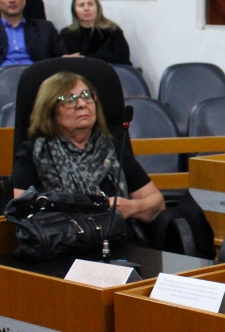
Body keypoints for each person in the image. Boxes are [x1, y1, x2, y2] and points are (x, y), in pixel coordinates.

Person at [11, 72, 165, 224]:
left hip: (117, 239)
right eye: (69, 100)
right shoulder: (35, 152)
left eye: (86, 96)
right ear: (49, 109)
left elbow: (156, 201)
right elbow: (19, 208)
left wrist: (131, 207)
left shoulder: (110, 148)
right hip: (60, 242)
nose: (82, 104)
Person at [0, 0, 68, 76]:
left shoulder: (45, 28)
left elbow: (62, 58)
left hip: (37, 79)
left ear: (24, 0)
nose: (12, 0)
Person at [60, 0, 132, 65]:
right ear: (74, 10)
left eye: (90, 4)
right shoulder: (66, 33)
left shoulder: (112, 30)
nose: (86, 8)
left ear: (97, 7)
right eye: (81, 5)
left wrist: (84, 58)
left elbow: (123, 57)